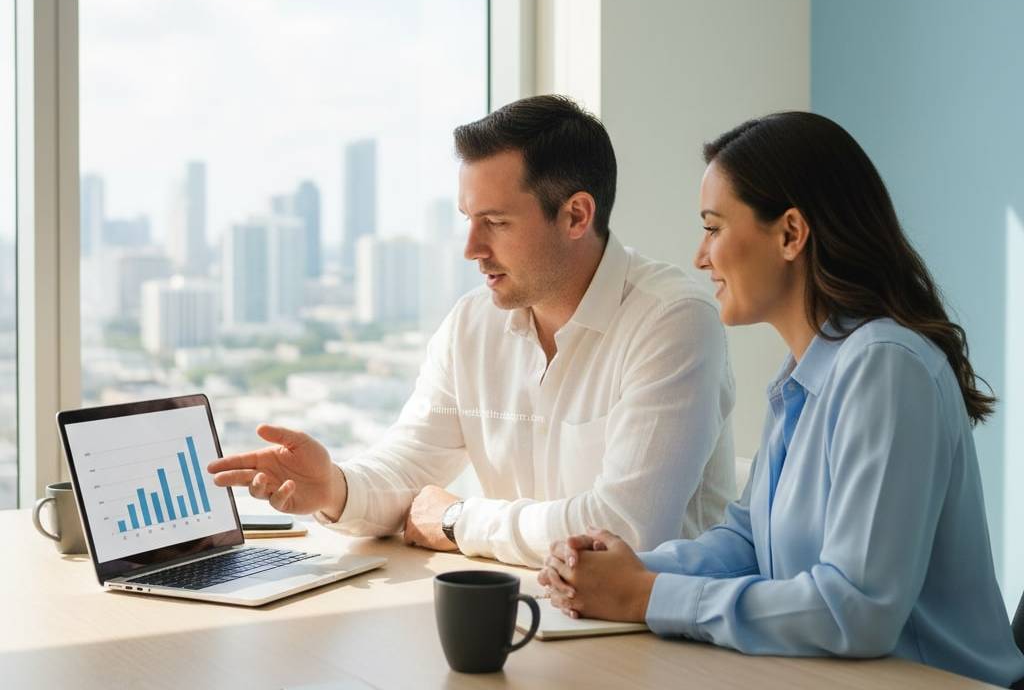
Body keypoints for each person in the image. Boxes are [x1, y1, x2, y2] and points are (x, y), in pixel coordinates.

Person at [539, 111, 1024, 687]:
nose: (700, 256)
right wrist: (624, 570)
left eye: (714, 227)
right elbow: (749, 541)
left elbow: (856, 610)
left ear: (791, 234)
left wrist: (647, 595)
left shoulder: (886, 366)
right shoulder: (807, 372)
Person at [208, 95, 736, 568]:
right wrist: (334, 488)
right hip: (535, 617)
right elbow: (411, 465)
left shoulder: (673, 320)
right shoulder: (471, 324)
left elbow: (625, 531)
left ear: (576, 215)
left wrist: (461, 521)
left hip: (656, 642)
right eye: (467, 219)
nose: (471, 248)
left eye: (497, 223)